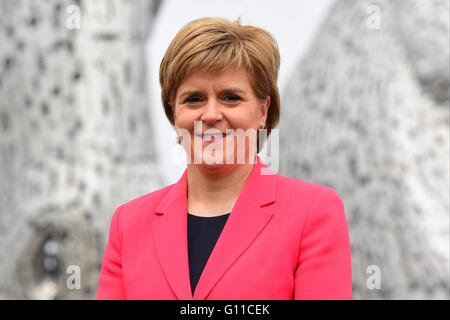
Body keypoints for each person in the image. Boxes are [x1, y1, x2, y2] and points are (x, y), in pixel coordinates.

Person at [96, 17, 352, 300]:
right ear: (174, 114)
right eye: (193, 99)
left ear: (263, 111)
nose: (211, 114)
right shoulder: (128, 224)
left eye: (231, 97)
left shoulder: (313, 213)